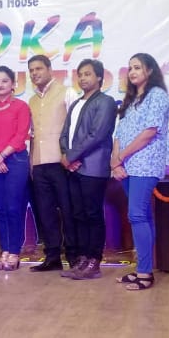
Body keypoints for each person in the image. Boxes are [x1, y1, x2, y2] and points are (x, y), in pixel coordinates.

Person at [111, 52, 169, 292]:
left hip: (145, 164)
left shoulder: (157, 95)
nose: (132, 72)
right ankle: (142, 269)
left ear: (150, 70)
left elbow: (149, 132)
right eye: (130, 68)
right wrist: (115, 162)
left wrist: (121, 157)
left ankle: (145, 274)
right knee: (142, 215)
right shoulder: (130, 100)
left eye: (137, 67)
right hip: (126, 166)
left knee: (136, 215)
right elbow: (119, 134)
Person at [59, 59, 117, 279]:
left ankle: (94, 261)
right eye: (80, 74)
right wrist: (66, 155)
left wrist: (71, 157)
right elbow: (65, 134)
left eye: (88, 74)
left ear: (99, 77)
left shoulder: (106, 102)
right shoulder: (76, 103)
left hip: (93, 167)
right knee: (79, 214)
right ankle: (83, 258)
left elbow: (97, 135)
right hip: (74, 168)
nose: (83, 78)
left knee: (93, 214)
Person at [28, 54, 79, 272]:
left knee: (68, 210)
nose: (35, 73)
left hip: (62, 162)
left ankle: (74, 256)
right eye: (31, 70)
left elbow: (76, 127)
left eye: (39, 68)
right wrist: (31, 164)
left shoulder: (67, 92)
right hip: (39, 164)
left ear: (50, 69)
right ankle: (52, 257)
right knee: (45, 212)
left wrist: (72, 156)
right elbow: (31, 135)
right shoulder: (31, 101)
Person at [0, 66, 31, 270]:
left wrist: (2, 156)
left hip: (15, 161)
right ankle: (5, 251)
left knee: (13, 208)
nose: (0, 84)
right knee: (0, 209)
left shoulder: (21, 107)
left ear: (13, 84)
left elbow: (20, 135)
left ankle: (15, 253)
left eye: (5, 81)